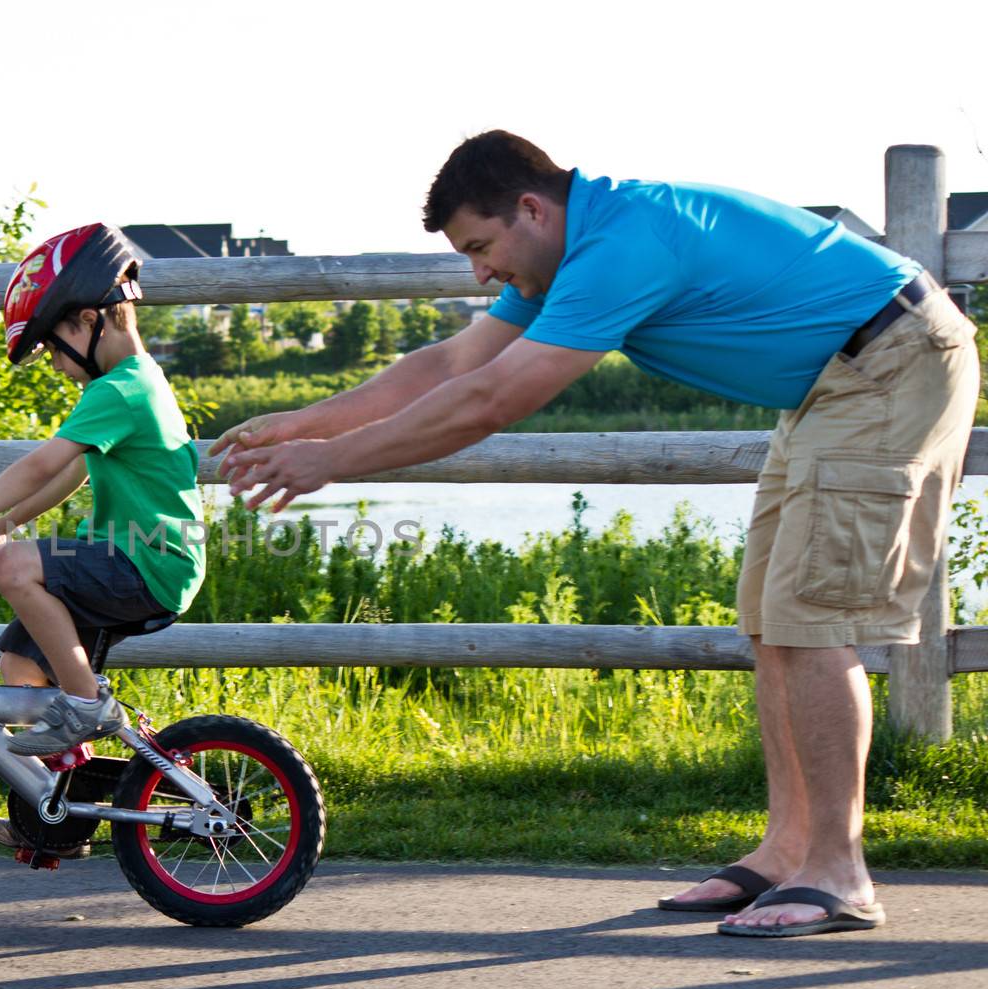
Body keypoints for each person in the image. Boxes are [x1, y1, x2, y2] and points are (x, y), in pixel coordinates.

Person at [213, 131, 978, 937]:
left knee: (813, 618)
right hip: (831, 381)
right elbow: (451, 367)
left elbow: (490, 403)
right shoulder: (573, 249)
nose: (479, 272)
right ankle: (788, 851)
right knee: (772, 618)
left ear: (533, 209)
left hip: (889, 361)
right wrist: (307, 421)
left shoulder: (622, 244)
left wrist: (330, 459)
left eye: (481, 246)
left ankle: (841, 871)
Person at [0, 222, 206, 857]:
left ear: (86, 321)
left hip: (147, 561)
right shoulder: (131, 385)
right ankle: (60, 817)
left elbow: (42, 464)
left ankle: (84, 702)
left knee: (15, 570)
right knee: (19, 671)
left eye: (52, 348)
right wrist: (1, 524)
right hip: (132, 559)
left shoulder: (121, 387)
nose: (55, 365)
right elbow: (73, 473)